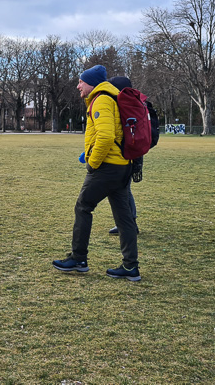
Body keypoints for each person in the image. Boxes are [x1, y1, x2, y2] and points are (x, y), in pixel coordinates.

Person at [52, 65, 141, 281]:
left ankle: (78, 259)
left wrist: (92, 163)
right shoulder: (113, 97)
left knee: (83, 207)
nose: (78, 86)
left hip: (107, 167)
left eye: (81, 81)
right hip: (122, 166)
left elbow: (105, 137)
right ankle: (131, 267)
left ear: (91, 82)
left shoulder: (101, 99)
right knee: (124, 217)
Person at [106, 76, 136, 235]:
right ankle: (128, 222)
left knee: (123, 189)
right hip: (132, 152)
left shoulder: (122, 105)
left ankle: (129, 223)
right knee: (124, 188)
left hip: (125, 153)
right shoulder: (132, 104)